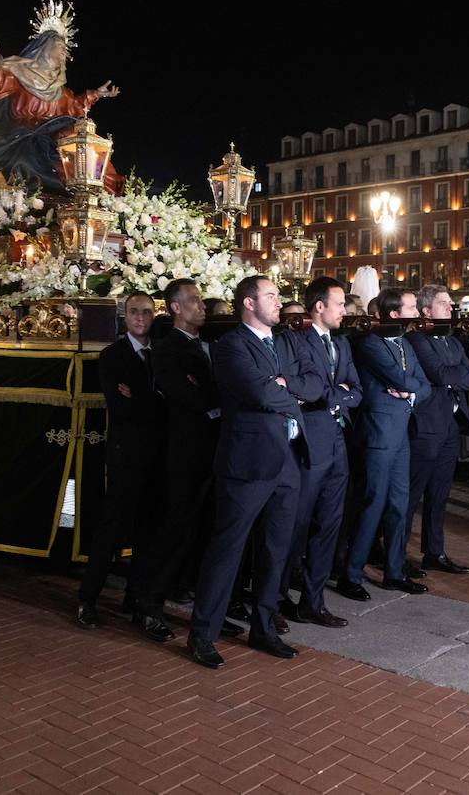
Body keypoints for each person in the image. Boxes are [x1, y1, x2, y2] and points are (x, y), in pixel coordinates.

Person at [186, 276, 305, 669]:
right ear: (249, 304)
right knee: (227, 549)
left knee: (276, 549)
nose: (278, 302)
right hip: (248, 462)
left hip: (288, 458)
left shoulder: (284, 341)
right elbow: (259, 393)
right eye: (270, 296)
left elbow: (314, 381)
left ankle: (264, 627)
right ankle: (203, 634)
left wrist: (284, 386)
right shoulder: (231, 346)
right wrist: (286, 389)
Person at [134, 279, 220, 643]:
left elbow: (213, 390)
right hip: (184, 454)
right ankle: (148, 608)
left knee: (203, 532)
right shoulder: (167, 350)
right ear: (175, 308)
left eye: (201, 300)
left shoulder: (211, 344)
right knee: (173, 531)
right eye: (194, 300)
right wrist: (213, 399)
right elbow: (189, 397)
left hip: (213, 451)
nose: (202, 306)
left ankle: (194, 600)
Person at [77, 292, 165, 630]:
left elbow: (170, 402)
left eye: (146, 312)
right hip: (126, 455)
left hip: (157, 455)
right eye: (133, 312)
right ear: (124, 317)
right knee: (112, 527)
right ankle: (87, 599)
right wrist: (156, 400)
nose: (140, 318)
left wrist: (145, 398)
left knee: (148, 529)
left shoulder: (160, 352)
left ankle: (136, 595)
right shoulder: (113, 355)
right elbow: (122, 407)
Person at [278, 277, 361, 628]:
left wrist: (331, 394)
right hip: (308, 443)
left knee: (330, 523)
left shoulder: (341, 344)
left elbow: (356, 391)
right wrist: (330, 394)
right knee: (296, 525)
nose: (345, 311)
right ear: (319, 307)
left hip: (338, 444)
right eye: (340, 304)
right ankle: (277, 598)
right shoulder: (296, 341)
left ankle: (313, 601)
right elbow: (302, 389)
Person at [340, 287, 431, 602]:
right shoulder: (370, 344)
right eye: (410, 307)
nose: (416, 311)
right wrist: (410, 387)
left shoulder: (405, 342)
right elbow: (406, 379)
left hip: (401, 434)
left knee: (399, 506)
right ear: (394, 314)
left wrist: (410, 392)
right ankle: (350, 574)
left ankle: (395, 572)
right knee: (372, 503)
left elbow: (424, 385)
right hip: (378, 434)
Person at [0, 0, 122, 194]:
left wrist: (95, 94)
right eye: (60, 46)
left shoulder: (61, 90)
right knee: (27, 162)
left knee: (91, 155)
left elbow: (74, 107)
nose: (65, 52)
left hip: (56, 138)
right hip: (23, 137)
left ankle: (103, 199)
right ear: (44, 47)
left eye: (65, 48)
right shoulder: (20, 74)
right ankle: (40, 204)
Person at [405, 285, 469, 575]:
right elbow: (439, 374)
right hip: (425, 425)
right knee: (412, 494)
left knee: (440, 493)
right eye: (444, 303)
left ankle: (434, 552)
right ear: (426, 311)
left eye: (451, 303)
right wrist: (451, 376)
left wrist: (450, 377)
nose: (451, 308)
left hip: (449, 425)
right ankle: (395, 555)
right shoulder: (416, 338)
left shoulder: (451, 340)